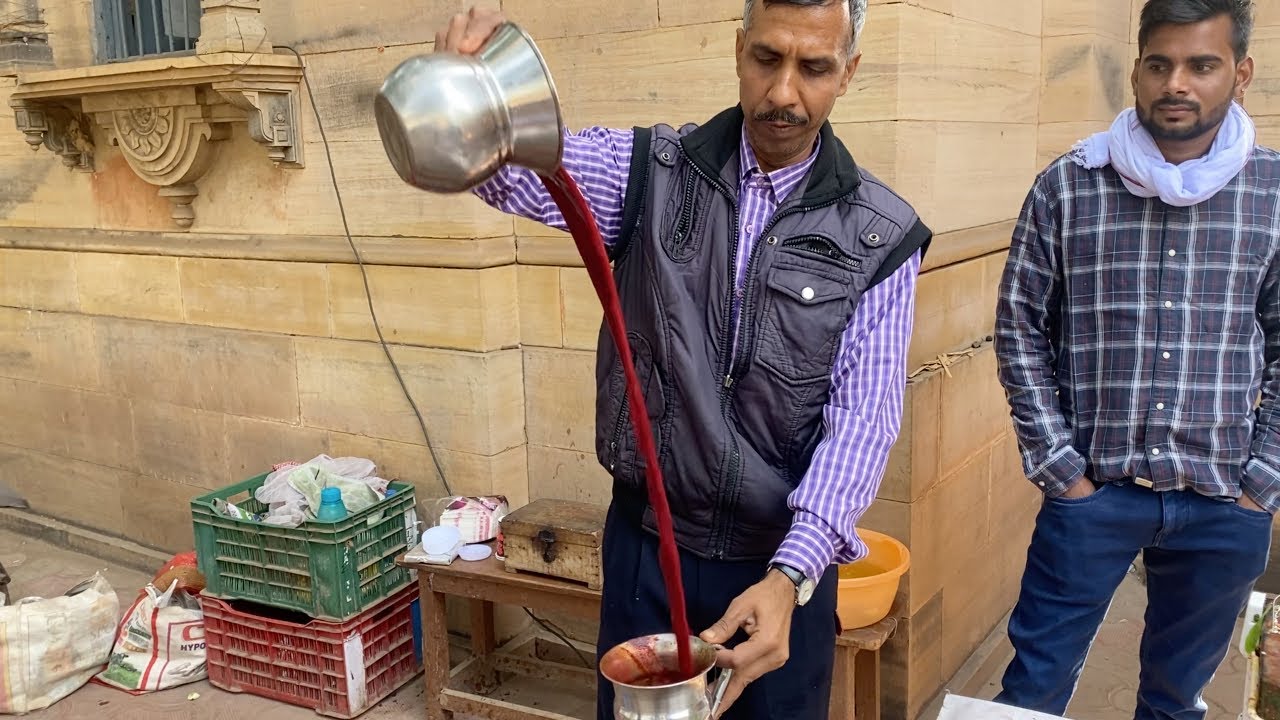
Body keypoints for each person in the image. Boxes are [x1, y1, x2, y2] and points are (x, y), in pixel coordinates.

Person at [434, 1, 931, 716]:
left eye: (814, 68)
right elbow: (518, 170)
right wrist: (467, 106)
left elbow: (863, 423)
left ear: (848, 73)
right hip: (647, 556)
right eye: (767, 58)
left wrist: (791, 576)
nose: (784, 92)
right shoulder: (649, 173)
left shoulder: (880, 236)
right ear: (738, 48)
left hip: (778, 569)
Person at [994, 0, 1276, 717]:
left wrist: (1260, 485)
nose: (1176, 82)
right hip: (1093, 494)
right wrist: (1061, 471)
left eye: (1201, 65)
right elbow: (1020, 327)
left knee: (1175, 700)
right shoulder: (1070, 185)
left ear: (1240, 74)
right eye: (1159, 63)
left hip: (1223, 500)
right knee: (1031, 691)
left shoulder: (1272, 194)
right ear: (1137, 72)